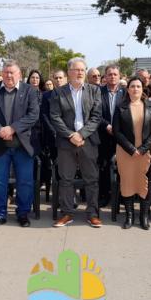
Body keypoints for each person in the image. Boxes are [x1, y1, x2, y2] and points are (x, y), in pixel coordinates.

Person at [0, 60, 40, 228]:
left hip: (22, 145)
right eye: (6, 72)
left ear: (19, 74)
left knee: (25, 181)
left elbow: (33, 114)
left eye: (12, 72)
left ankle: (23, 213)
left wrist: (12, 128)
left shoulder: (29, 91)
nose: (8, 75)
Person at [50, 58, 103, 228]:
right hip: (66, 142)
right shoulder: (58, 92)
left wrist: (81, 134)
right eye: (76, 70)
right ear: (69, 72)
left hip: (88, 141)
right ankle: (67, 213)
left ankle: (92, 214)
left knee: (92, 179)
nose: (80, 73)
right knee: (66, 179)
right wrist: (70, 135)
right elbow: (55, 117)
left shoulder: (95, 91)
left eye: (82, 70)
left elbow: (96, 117)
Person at [113, 76, 151, 230]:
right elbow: (116, 131)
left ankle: (144, 216)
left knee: (144, 183)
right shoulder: (120, 107)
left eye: (138, 86)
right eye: (132, 86)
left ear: (142, 89)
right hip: (125, 152)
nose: (135, 89)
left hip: (146, 152)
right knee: (127, 182)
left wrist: (142, 148)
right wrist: (131, 149)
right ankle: (129, 216)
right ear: (127, 89)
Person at [98, 64, 122, 207]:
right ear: (105, 77)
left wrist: (118, 129)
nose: (112, 76)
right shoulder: (98, 92)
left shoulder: (125, 93)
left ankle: (121, 196)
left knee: (122, 167)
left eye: (115, 74)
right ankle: (104, 195)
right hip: (103, 135)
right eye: (109, 74)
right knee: (104, 167)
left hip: (121, 137)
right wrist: (106, 125)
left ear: (119, 76)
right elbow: (94, 113)